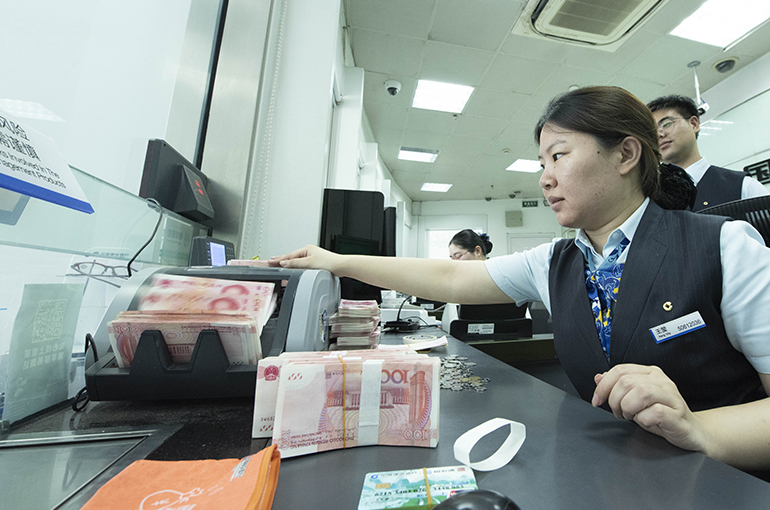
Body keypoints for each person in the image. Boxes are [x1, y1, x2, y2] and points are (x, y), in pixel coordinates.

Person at [271, 86, 770, 471]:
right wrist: (334, 261)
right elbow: (448, 276)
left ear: (625, 155)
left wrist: (700, 431)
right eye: (541, 163)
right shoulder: (554, 263)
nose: (545, 178)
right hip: (614, 476)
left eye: (559, 156)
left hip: (723, 482)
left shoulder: (725, 246)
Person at [647, 94, 769, 211]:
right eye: (652, 131)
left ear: (694, 124)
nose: (659, 134)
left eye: (667, 124)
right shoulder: (651, 199)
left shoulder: (744, 187)